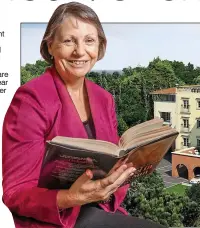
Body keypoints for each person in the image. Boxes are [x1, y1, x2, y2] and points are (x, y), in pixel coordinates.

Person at [2, 2, 165, 228]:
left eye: (89, 40)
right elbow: (15, 193)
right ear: (50, 46)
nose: (80, 51)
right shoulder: (30, 99)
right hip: (56, 220)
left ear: (99, 47)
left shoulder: (103, 98)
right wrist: (73, 197)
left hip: (100, 209)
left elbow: (111, 159)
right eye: (69, 41)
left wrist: (130, 169)